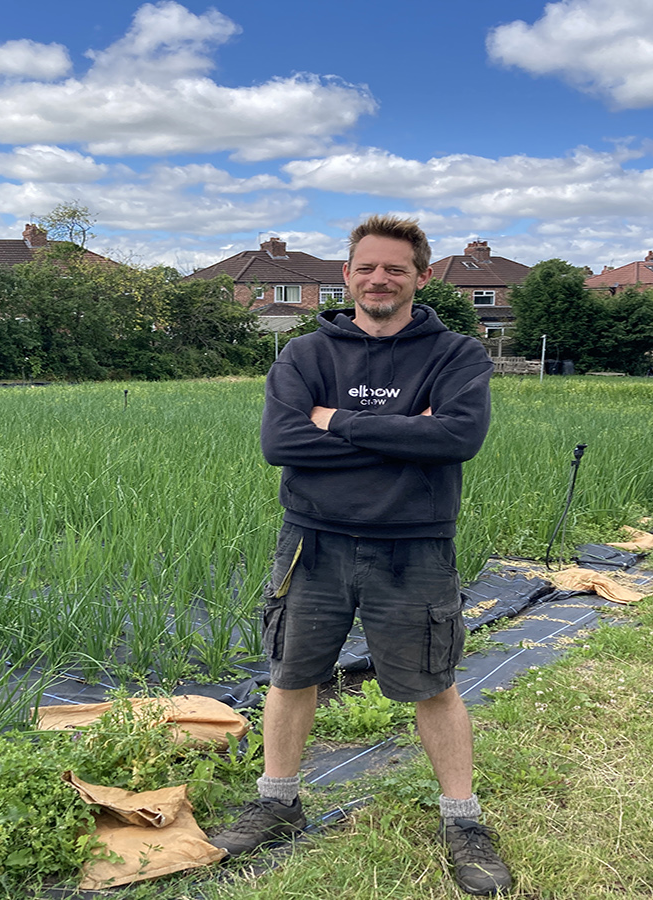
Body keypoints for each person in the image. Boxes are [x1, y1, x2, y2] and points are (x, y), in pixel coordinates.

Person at [210, 215, 512, 895]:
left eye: (395, 269)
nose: (380, 279)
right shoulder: (304, 356)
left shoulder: (456, 355)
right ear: (346, 276)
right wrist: (407, 431)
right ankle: (278, 801)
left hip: (414, 548)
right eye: (367, 268)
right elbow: (283, 444)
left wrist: (337, 420)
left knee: (432, 683)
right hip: (312, 545)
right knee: (291, 673)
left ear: (421, 277)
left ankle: (462, 821)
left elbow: (457, 438)